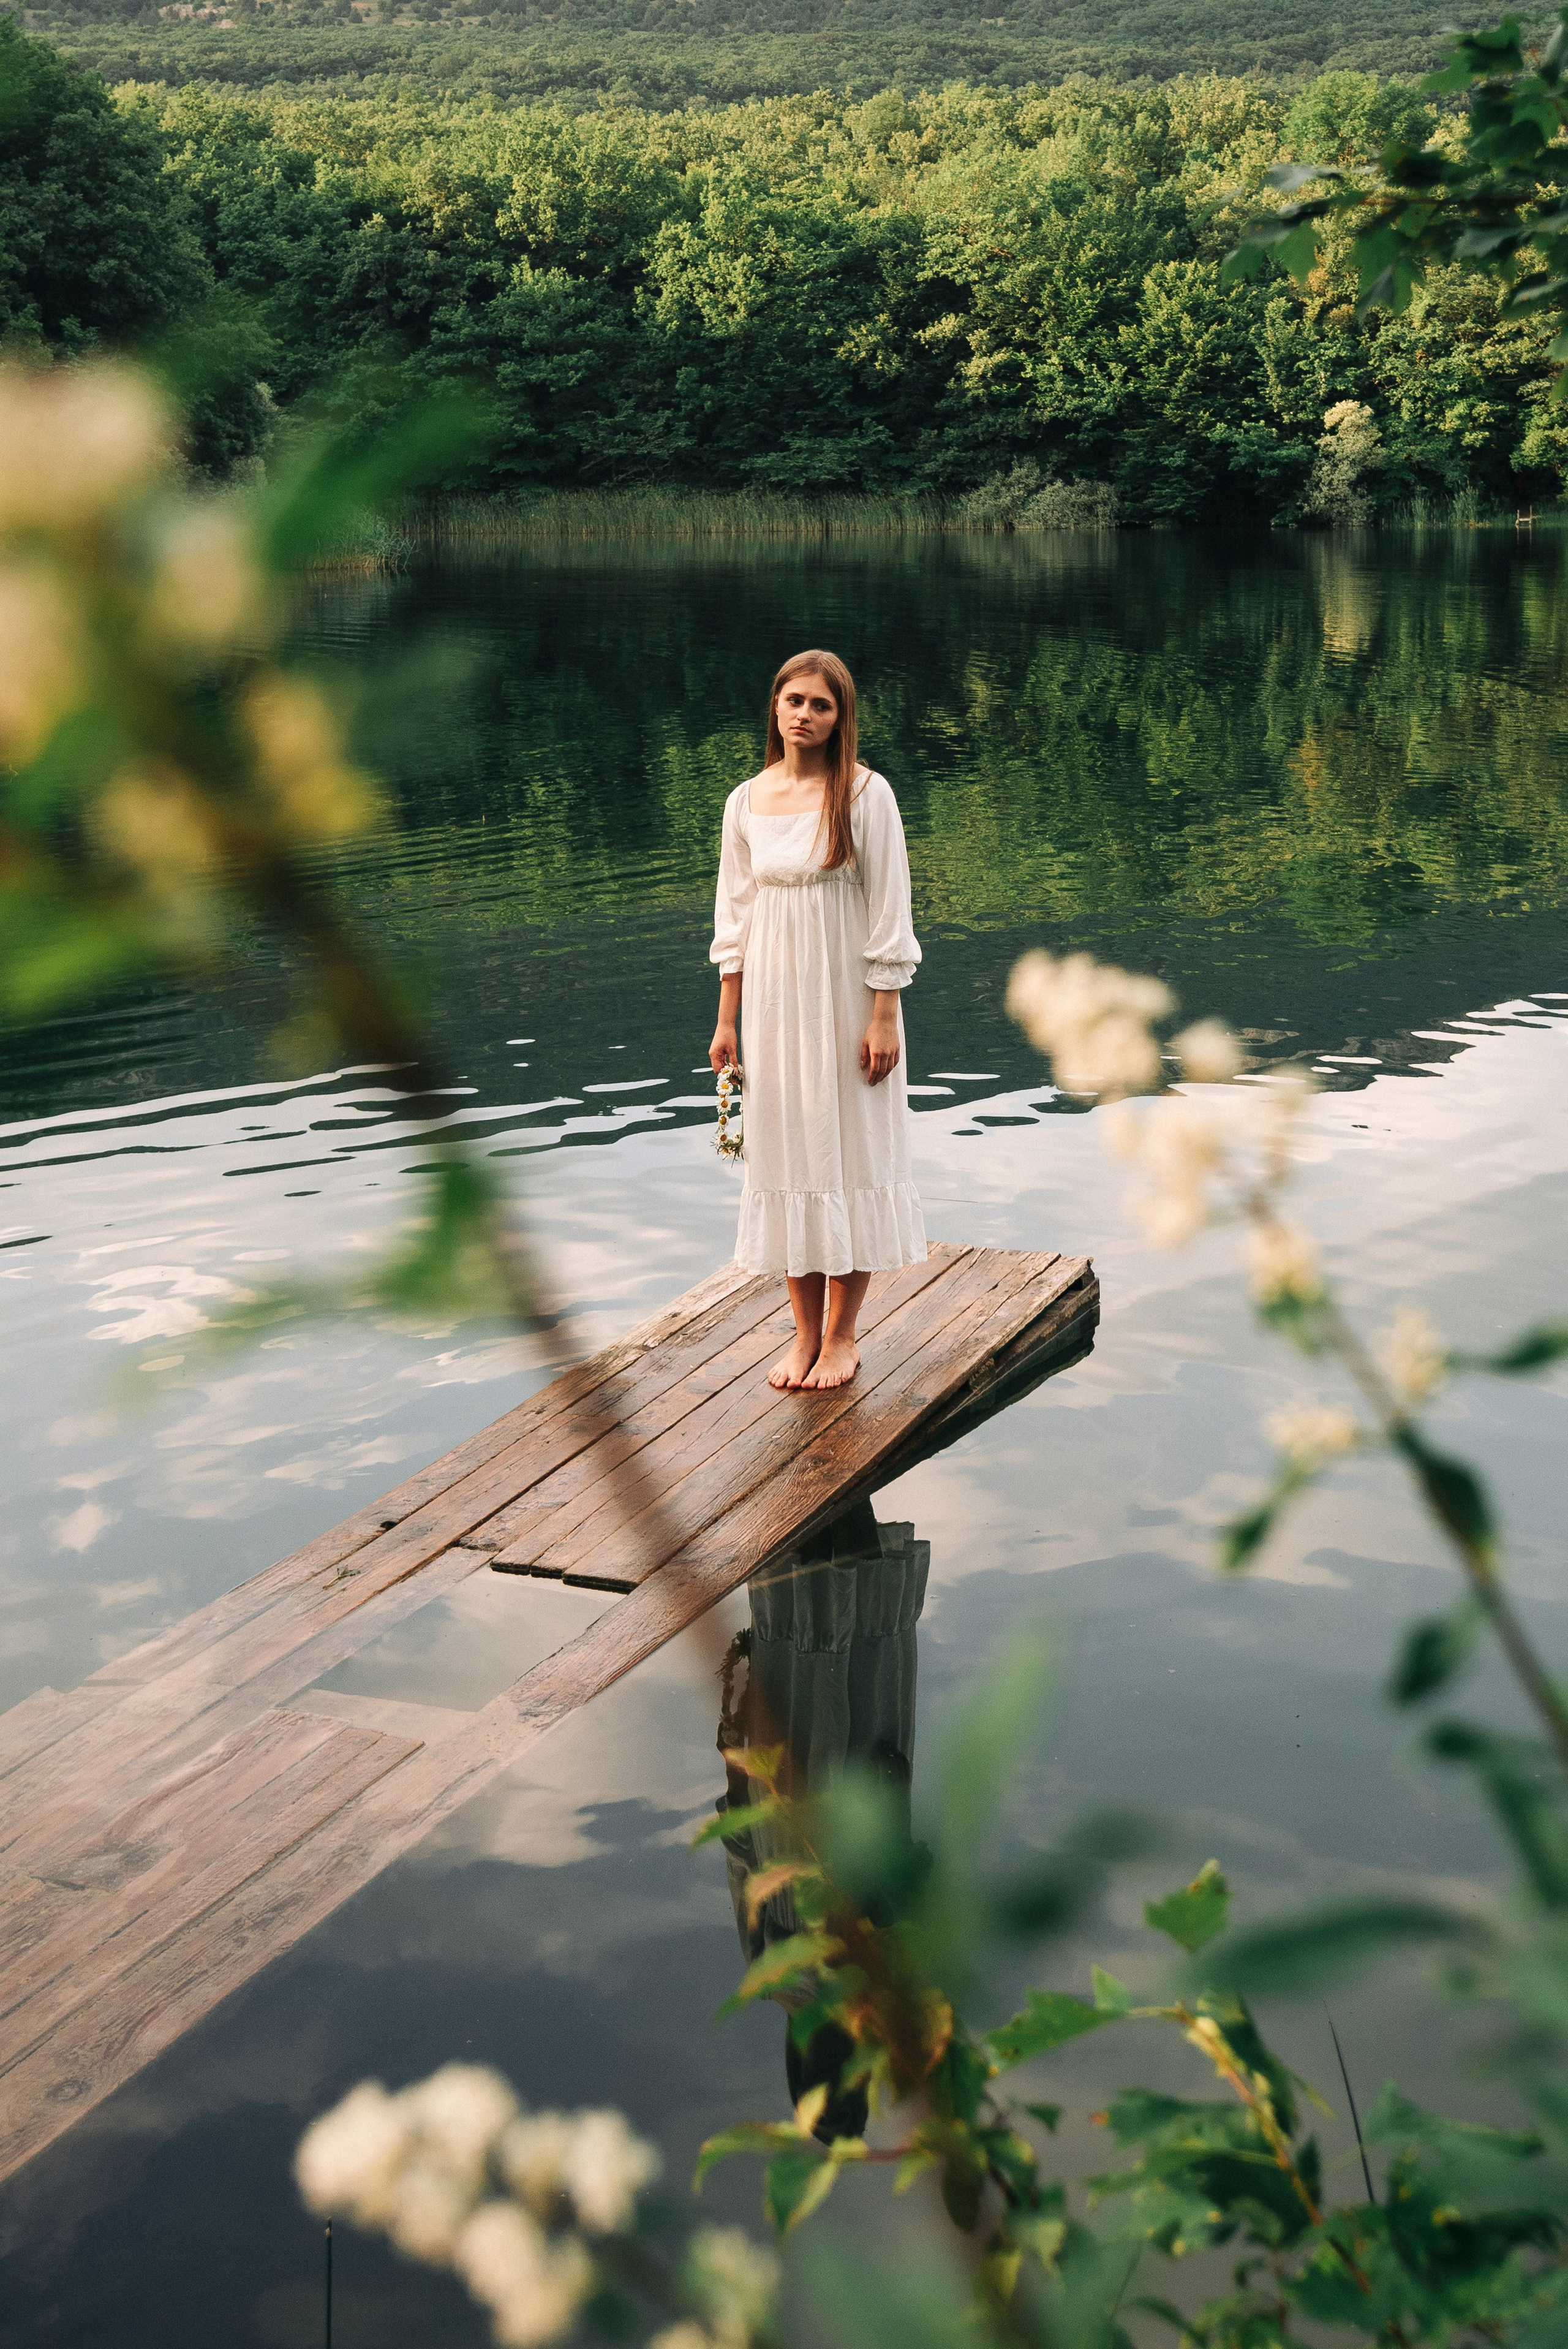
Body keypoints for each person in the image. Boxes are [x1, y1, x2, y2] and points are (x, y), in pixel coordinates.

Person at [708, 649, 927, 1391]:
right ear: (774, 707)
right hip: (769, 1004)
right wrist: (727, 1022)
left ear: (841, 718)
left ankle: (842, 1337)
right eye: (793, 700)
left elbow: (889, 910)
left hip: (845, 1002)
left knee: (854, 1152)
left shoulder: (865, 794)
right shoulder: (745, 800)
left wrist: (885, 1015)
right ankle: (801, 1335)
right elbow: (733, 920)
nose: (804, 714)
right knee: (785, 1154)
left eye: (820, 705)